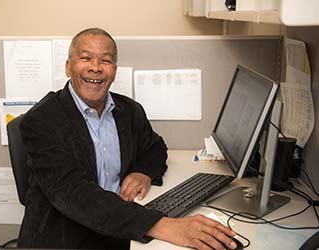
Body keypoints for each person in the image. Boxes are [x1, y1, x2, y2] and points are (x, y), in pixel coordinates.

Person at [18, 27, 238, 250]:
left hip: (117, 225)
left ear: (114, 69)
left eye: (106, 60)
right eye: (85, 58)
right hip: (66, 236)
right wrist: (162, 225)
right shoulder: (42, 120)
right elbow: (74, 194)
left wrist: (143, 172)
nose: (95, 68)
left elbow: (155, 147)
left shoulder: (129, 110)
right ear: (68, 67)